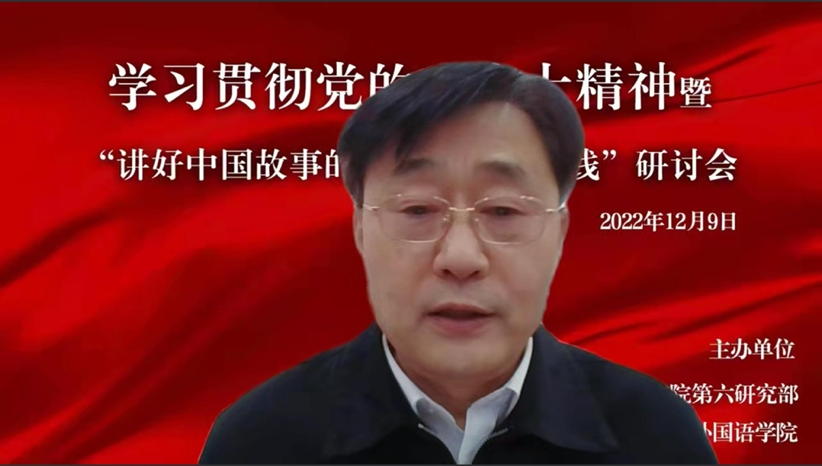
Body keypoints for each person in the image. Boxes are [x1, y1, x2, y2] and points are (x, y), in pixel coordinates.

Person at [198, 62, 718, 464]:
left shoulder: (653, 435)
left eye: (503, 211)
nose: (461, 258)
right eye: (417, 210)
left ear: (559, 233)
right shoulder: (261, 441)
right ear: (359, 229)